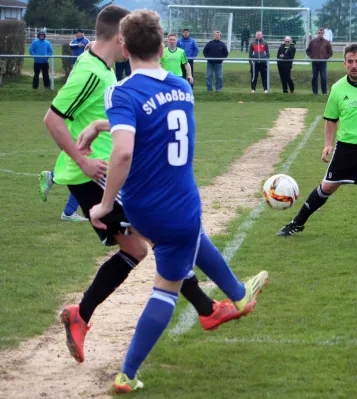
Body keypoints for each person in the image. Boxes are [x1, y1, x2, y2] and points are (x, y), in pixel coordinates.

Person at [43, 5, 243, 366]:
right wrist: (83, 160)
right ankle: (205, 307)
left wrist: (101, 127)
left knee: (146, 244)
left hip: (111, 173)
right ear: (120, 37)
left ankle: (204, 307)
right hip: (96, 175)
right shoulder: (90, 71)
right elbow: (53, 119)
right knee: (155, 240)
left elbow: (116, 118)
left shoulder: (105, 71)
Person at [82, 10, 268, 392]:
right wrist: (103, 204)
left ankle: (237, 293)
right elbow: (124, 152)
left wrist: (101, 130)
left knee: (189, 241)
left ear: (123, 44)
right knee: (166, 287)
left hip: (143, 209)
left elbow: (129, 137)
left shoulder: (120, 92)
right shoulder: (183, 87)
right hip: (178, 205)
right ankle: (127, 373)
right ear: (162, 41)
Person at [276, 44, 357, 240]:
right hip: (348, 147)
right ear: (345, 63)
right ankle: (297, 223)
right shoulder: (337, 88)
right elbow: (331, 119)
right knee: (327, 187)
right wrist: (328, 144)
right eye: (350, 62)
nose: (354, 65)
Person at [306, 28, 333, 95]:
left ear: (323, 34)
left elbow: (330, 52)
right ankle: (315, 92)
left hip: (323, 62)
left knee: (323, 77)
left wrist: (325, 57)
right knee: (314, 77)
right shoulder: (312, 42)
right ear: (317, 33)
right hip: (315, 62)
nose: (320, 34)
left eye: (321, 33)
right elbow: (308, 51)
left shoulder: (327, 42)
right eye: (319, 33)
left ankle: (324, 92)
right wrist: (312, 57)